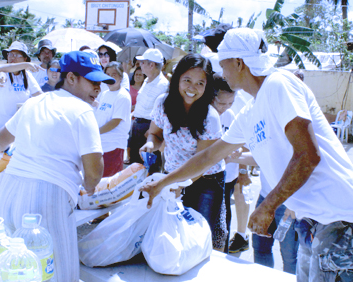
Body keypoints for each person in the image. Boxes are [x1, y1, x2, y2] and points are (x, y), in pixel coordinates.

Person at [141, 28, 353, 281]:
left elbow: (308, 155)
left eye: (223, 64)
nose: (221, 72)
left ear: (239, 63)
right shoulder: (250, 112)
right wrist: (163, 182)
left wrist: (268, 205)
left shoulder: (278, 84)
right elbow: (208, 157)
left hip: (340, 221)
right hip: (312, 223)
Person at [0, 51, 114, 281]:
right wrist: (89, 187)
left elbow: (0, 141)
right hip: (48, 197)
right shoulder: (82, 111)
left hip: (9, 191)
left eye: (100, 83)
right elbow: (94, 170)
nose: (98, 88)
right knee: (55, 271)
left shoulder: (34, 102)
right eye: (92, 81)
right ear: (71, 78)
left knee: (14, 269)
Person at [139, 54, 227, 251]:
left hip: (206, 180)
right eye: (187, 80)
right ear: (177, 78)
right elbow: (155, 134)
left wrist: (175, 184)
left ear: (207, 86)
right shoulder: (163, 103)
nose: (192, 88)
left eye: (200, 83)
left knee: (201, 235)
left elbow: (202, 162)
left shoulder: (210, 117)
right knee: (175, 231)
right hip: (172, 176)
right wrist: (150, 145)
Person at [211, 74, 252, 253]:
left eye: (230, 103)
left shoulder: (231, 115)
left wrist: (242, 170)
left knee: (223, 220)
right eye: (221, 103)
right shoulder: (205, 116)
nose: (225, 108)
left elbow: (241, 145)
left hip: (228, 177)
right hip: (208, 177)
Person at [0, 41, 42, 142]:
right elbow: (1, 73)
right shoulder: (0, 71)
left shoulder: (27, 75)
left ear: (25, 59)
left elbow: (39, 95)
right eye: (10, 54)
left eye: (17, 55)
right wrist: (1, 78)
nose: (12, 57)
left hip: (16, 128)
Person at [129, 49, 169, 165]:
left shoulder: (163, 85)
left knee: (148, 167)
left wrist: (152, 132)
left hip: (149, 130)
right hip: (138, 126)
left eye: (143, 62)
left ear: (151, 65)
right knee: (135, 166)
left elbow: (163, 112)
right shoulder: (147, 80)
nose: (140, 65)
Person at [94, 62, 132, 177]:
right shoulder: (105, 93)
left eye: (114, 74)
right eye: (108, 74)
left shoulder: (123, 96)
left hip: (113, 146)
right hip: (101, 145)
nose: (110, 77)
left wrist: (96, 132)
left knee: (110, 182)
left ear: (121, 77)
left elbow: (115, 122)